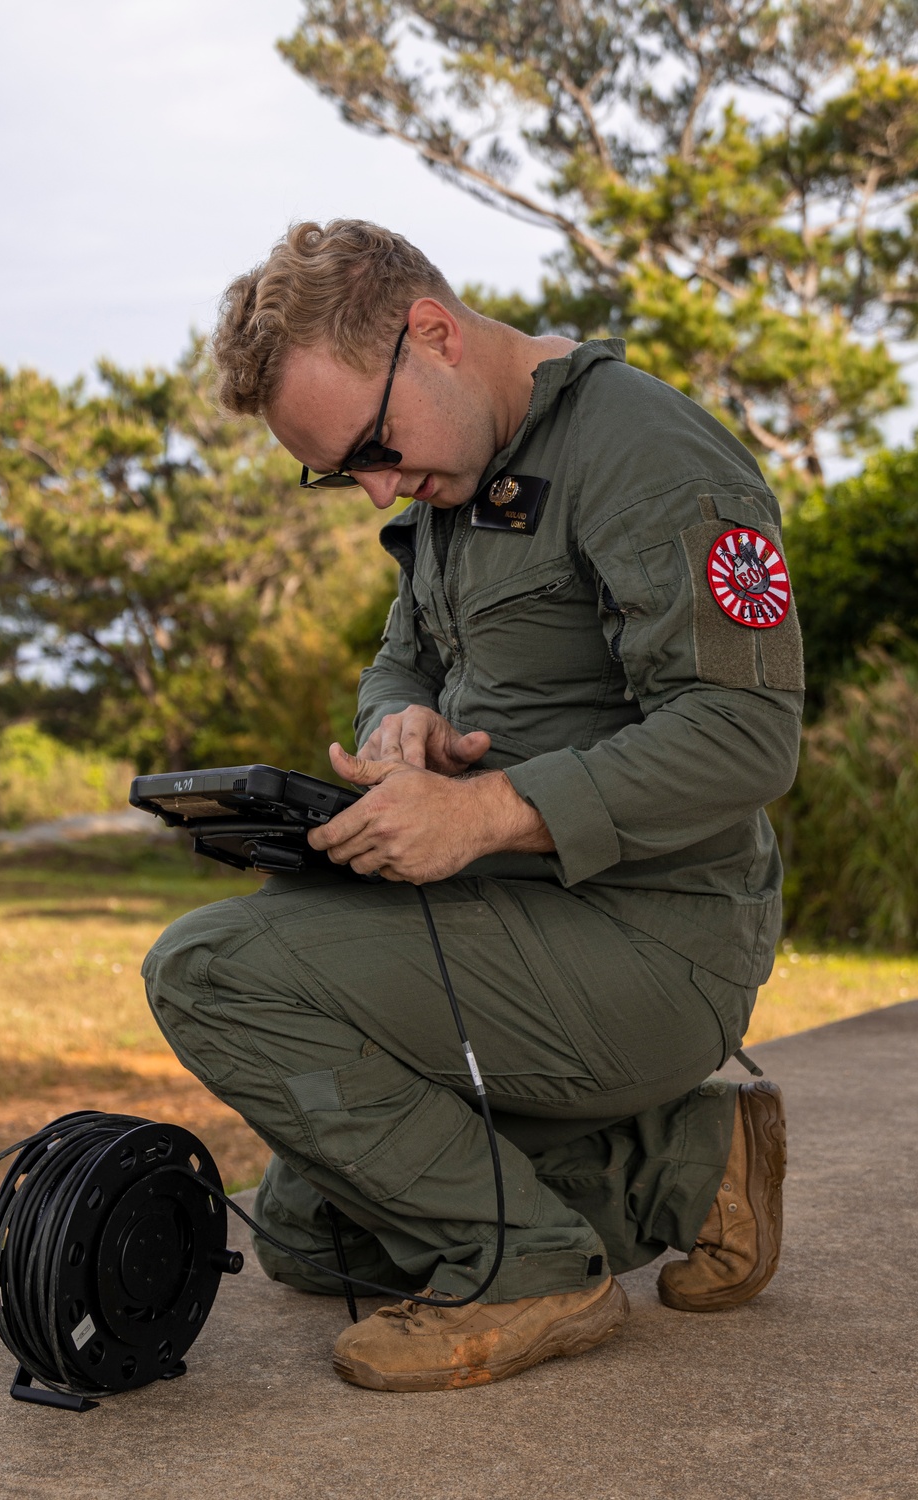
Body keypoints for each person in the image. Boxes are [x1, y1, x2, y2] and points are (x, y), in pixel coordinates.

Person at [143, 219, 801, 1393]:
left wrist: (487, 812)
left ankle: (526, 1271)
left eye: (374, 450)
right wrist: (397, 728)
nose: (378, 489)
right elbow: (403, 658)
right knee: (309, 1226)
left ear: (432, 334)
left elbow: (745, 736)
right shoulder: (459, 466)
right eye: (341, 473)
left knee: (210, 972)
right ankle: (689, 1163)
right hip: (512, 924)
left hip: (654, 937)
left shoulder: (649, 454)